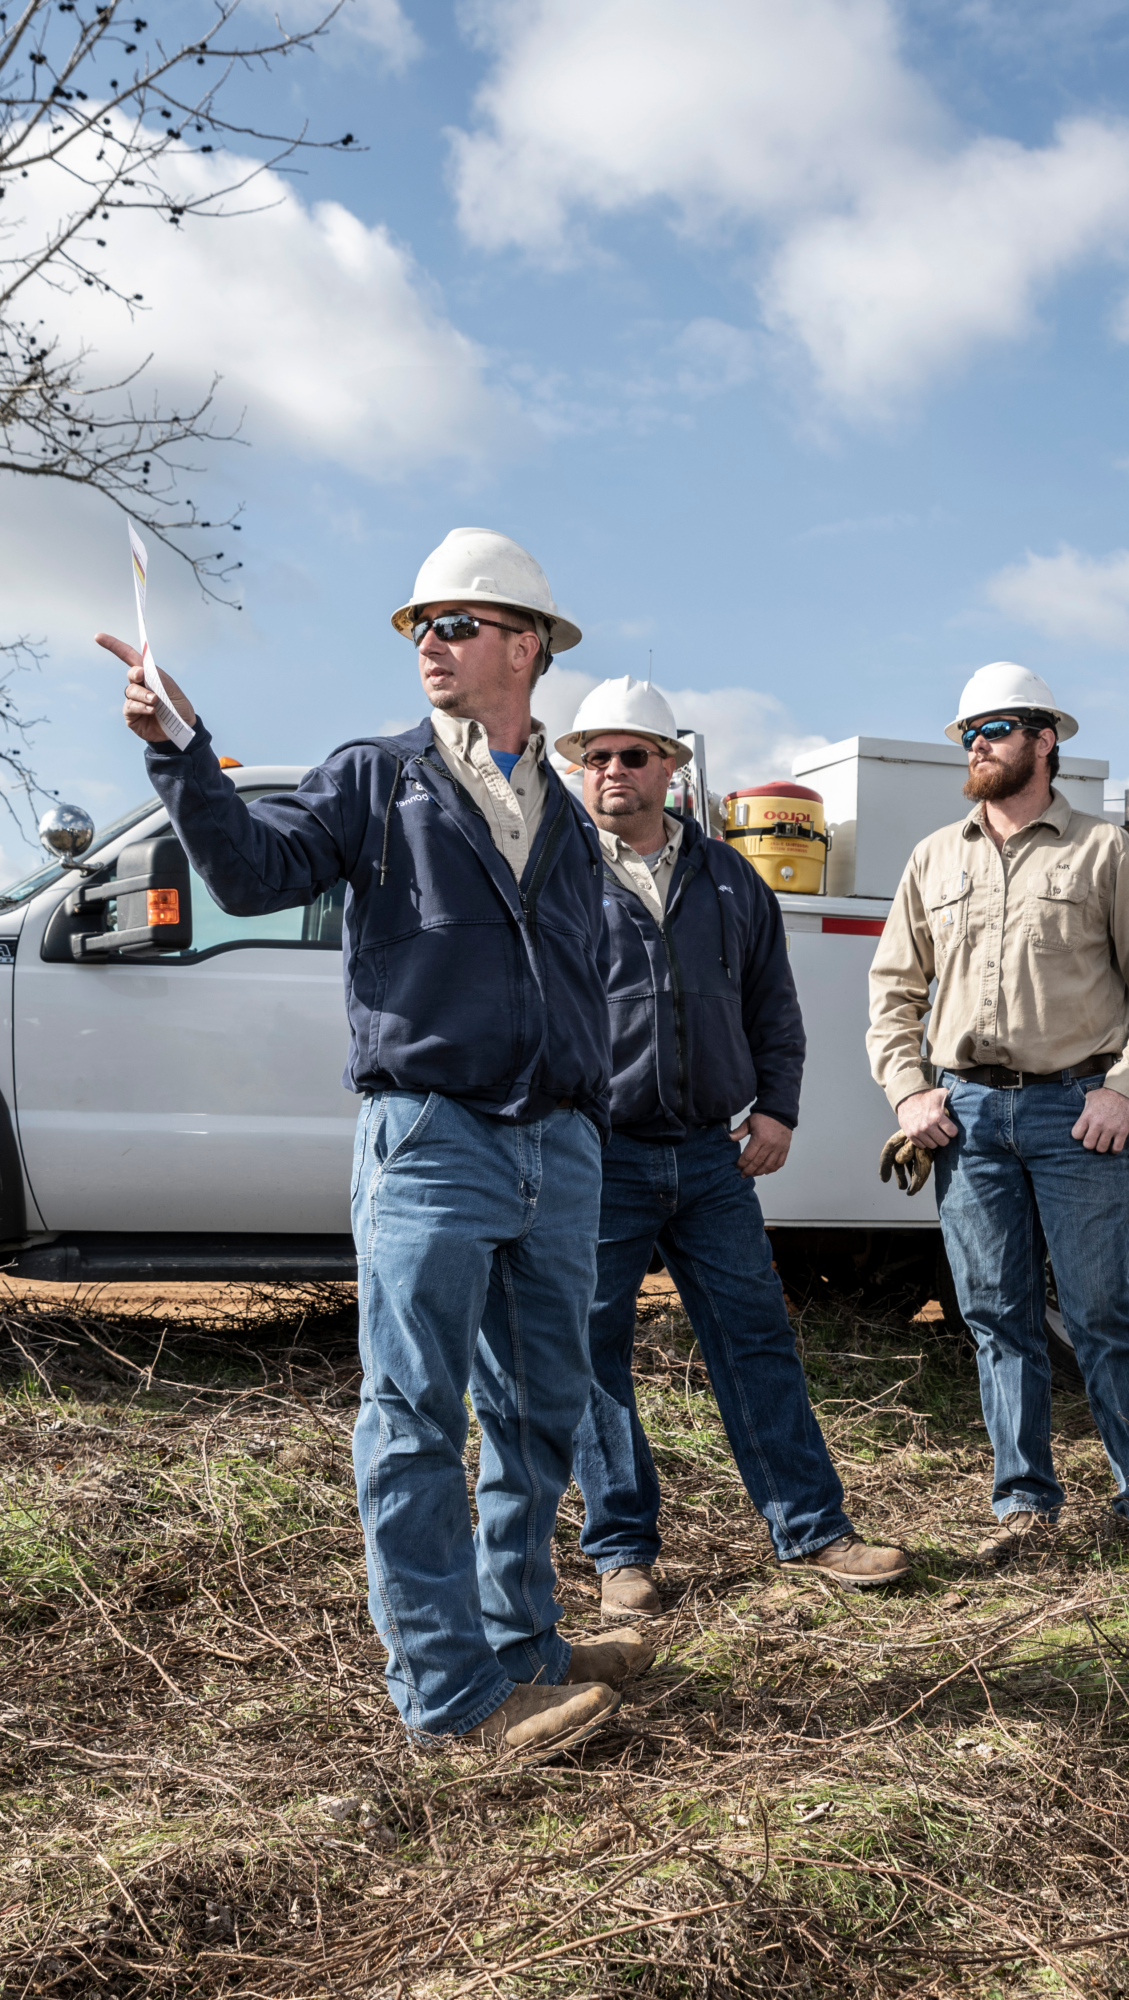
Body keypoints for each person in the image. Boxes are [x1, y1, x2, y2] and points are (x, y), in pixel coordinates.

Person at [104, 528, 647, 1762]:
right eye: (418, 627)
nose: (429, 645)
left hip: (557, 1149)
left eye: (454, 624)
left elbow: (583, 974)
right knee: (413, 1411)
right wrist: (183, 755)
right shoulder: (375, 778)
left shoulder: (565, 814)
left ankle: (525, 1646)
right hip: (433, 1136)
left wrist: (588, 1112)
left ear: (527, 645)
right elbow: (251, 873)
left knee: (538, 1411)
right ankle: (452, 1697)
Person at [559, 677, 911, 1608]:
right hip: (601, 1158)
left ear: (670, 767)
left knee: (756, 1340)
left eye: (633, 754)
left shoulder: (729, 878)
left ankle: (813, 1531)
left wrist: (778, 1109)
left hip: (713, 1157)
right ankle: (622, 1555)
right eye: (595, 756)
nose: (612, 771)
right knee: (594, 1354)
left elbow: (775, 1012)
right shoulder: (556, 873)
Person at [866, 662, 1129, 1560]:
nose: (977, 744)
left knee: (1101, 1310)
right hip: (966, 1117)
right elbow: (893, 991)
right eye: (968, 732)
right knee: (996, 1316)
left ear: (1045, 739)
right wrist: (909, 1088)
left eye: (997, 728)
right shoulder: (934, 858)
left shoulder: (1102, 852)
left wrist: (1124, 1092)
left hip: (1073, 1111)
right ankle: (1024, 1505)